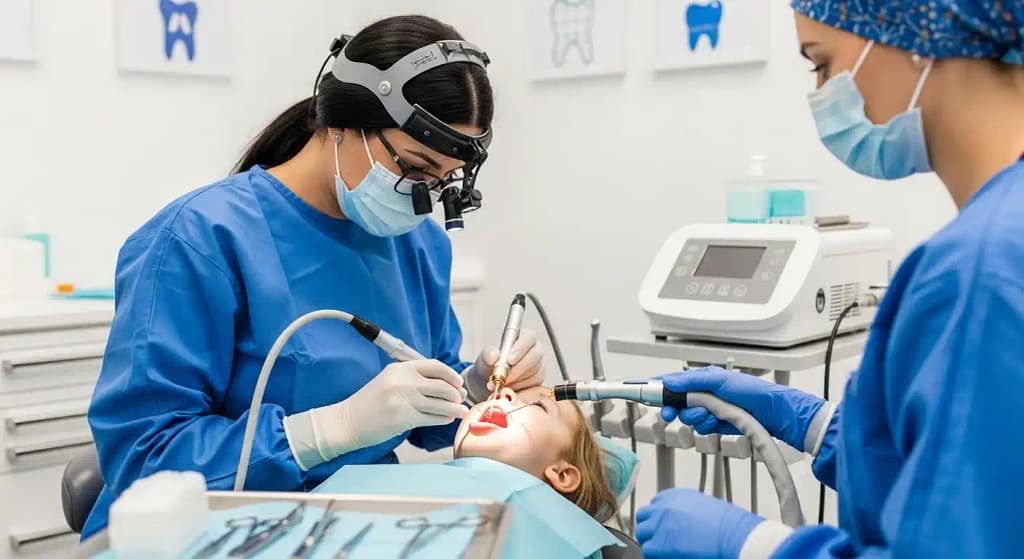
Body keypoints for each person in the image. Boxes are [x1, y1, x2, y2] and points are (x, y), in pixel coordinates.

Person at [83, 15, 548, 538]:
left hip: (355, 525)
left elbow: (424, 407)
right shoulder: (197, 239)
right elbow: (144, 460)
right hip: (207, 533)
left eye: (441, 182)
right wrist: (325, 432)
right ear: (342, 124)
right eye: (414, 169)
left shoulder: (419, 244)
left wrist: (472, 387)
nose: (423, 199)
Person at [636, 1, 1024, 558]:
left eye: (821, 63)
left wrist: (759, 547)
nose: (821, 93)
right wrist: (816, 424)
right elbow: (966, 469)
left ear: (915, 34)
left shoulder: (983, 270)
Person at [315, 386, 635, 558]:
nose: (504, 394)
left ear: (562, 474)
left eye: (539, 405)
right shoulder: (379, 482)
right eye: (503, 392)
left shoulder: (554, 536)